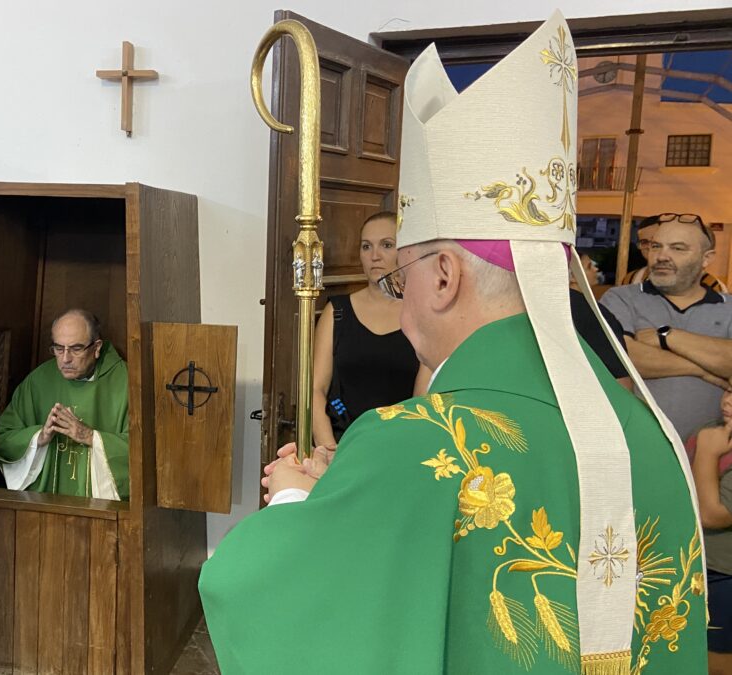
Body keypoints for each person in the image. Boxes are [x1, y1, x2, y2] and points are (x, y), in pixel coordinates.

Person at [200, 14, 705, 673]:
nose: (396, 291)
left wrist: (300, 500)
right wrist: (354, 490)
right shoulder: (648, 434)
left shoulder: (415, 442)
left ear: (443, 275)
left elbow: (258, 592)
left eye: (402, 272)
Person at [600, 215, 732, 440]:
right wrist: (705, 370)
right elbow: (621, 359)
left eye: (678, 248)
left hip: (712, 459)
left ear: (706, 258)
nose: (661, 256)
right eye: (655, 246)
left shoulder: (728, 307)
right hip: (638, 447)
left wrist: (667, 336)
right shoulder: (620, 298)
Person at [312, 211, 430, 446]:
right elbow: (316, 390)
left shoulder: (422, 316)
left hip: (399, 450)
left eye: (386, 245)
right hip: (340, 449)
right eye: (366, 246)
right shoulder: (337, 312)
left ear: (404, 250)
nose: (375, 255)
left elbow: (422, 401)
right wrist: (330, 453)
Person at [0, 309, 128, 500]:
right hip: (44, 510)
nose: (65, 359)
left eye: (76, 349)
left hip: (105, 514)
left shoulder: (127, 383)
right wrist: (39, 438)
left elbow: (147, 454)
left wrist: (90, 436)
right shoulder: (38, 381)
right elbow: (3, 437)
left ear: (97, 347)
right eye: (59, 349)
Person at [688, 389, 732, 675]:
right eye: (728, 389)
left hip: (723, 576)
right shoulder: (707, 431)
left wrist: (707, 451)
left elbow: (711, 515)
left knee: (715, 664)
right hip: (692, 565)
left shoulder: (708, 441)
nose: (727, 400)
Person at [570, 249, 631, 389]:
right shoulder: (593, 313)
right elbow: (620, 382)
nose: (596, 269)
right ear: (573, 275)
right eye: (589, 266)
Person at [623, 213, 727, 293]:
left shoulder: (710, 284)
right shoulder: (631, 278)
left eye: (656, 242)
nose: (651, 247)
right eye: (644, 242)